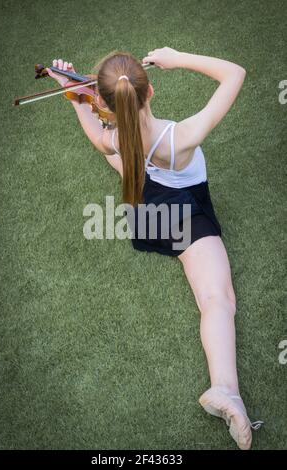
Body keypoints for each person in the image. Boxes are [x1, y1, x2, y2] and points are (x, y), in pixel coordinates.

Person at [47, 47, 263, 449]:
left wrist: (76, 93)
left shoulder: (114, 135)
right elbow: (235, 71)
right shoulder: (180, 138)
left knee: (125, 158)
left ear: (108, 106)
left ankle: (226, 391)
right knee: (217, 298)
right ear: (149, 93)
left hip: (146, 210)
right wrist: (177, 56)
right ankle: (224, 389)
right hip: (183, 216)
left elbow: (99, 138)